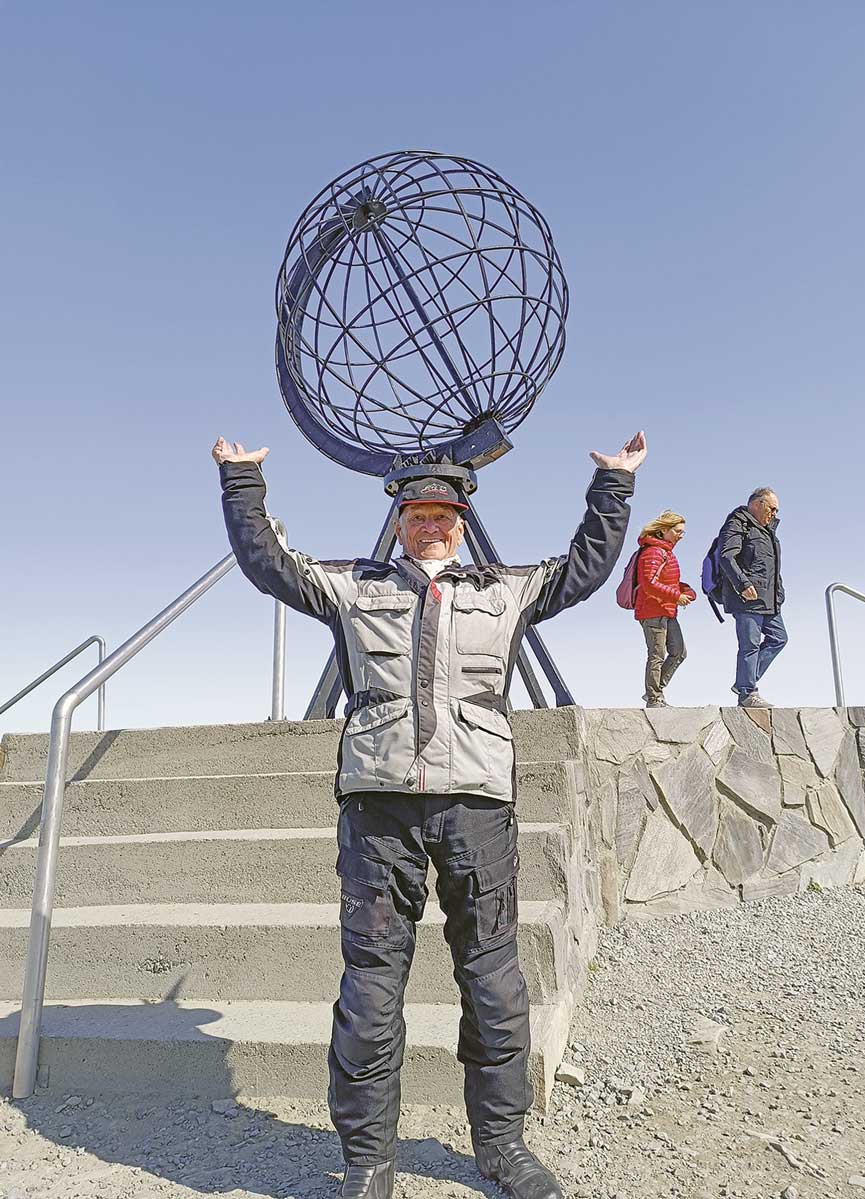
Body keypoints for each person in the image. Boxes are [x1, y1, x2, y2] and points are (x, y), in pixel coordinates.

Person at [212, 431, 647, 1199]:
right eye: (418, 514)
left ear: (463, 521)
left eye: (444, 515)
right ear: (400, 520)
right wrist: (243, 481)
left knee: (494, 985)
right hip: (380, 812)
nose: (431, 526)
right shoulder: (354, 586)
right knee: (372, 991)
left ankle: (503, 1149)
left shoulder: (504, 589)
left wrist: (613, 486)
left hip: (476, 808)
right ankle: (369, 1161)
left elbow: (584, 569)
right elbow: (269, 565)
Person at [716, 486, 787, 708]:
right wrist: (742, 584)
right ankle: (747, 693)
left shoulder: (767, 531)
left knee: (779, 638)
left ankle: (744, 681)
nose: (774, 514)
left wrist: (779, 593)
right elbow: (726, 556)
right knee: (750, 645)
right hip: (746, 597)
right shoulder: (738, 523)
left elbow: (772, 567)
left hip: (769, 599)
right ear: (758, 504)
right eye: (772, 508)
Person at [633, 510, 695, 707]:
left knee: (679, 652)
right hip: (653, 612)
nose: (681, 536)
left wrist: (685, 590)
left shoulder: (665, 552)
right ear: (663, 530)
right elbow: (648, 584)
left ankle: (655, 690)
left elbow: (666, 580)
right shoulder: (652, 552)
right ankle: (654, 698)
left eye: (682, 532)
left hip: (667, 610)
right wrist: (677, 596)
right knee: (657, 655)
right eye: (678, 531)